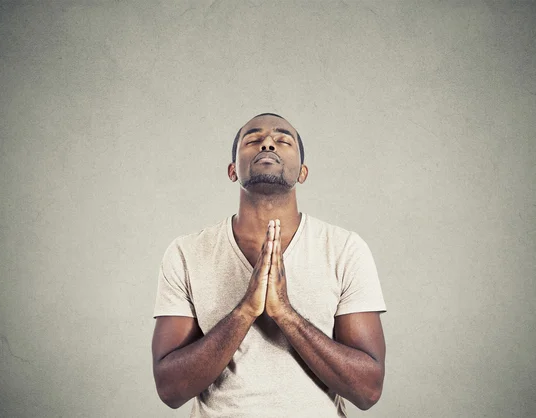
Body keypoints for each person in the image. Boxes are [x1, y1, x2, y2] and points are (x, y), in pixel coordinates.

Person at [151, 113, 387, 417]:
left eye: (282, 140)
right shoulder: (186, 252)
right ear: (232, 170)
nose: (267, 143)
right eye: (253, 139)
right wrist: (246, 310)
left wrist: (285, 314)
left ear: (303, 173)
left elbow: (367, 391)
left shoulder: (344, 249)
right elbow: (170, 390)